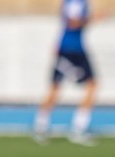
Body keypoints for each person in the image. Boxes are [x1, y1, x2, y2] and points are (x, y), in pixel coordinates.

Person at [33, 0, 97, 145]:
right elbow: (72, 23)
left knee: (93, 85)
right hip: (67, 51)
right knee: (55, 89)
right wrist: (91, 19)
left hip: (79, 51)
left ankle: (79, 127)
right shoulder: (72, 2)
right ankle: (41, 126)